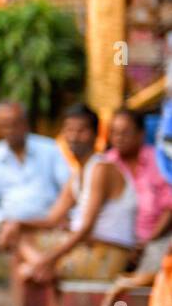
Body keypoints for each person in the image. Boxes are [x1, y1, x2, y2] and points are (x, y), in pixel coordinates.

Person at [0, 100, 71, 306]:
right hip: (6, 224)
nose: (10, 131)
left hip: (46, 222)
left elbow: (68, 188)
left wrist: (56, 217)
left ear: (25, 124)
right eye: (4, 125)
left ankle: (38, 275)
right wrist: (5, 222)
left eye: (15, 124)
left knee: (20, 233)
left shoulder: (50, 150)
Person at [18, 109, 140, 286]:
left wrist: (49, 259)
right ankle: (39, 266)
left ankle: (39, 267)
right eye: (69, 130)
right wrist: (16, 224)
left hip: (109, 254)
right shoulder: (78, 174)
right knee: (22, 236)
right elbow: (52, 219)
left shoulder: (101, 168)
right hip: (86, 247)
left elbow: (86, 228)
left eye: (81, 130)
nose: (74, 137)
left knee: (27, 271)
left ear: (95, 134)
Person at [104, 109, 172, 277]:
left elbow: (169, 208)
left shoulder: (158, 160)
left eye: (125, 132)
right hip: (116, 242)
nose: (118, 138)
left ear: (141, 134)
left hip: (156, 240)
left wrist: (145, 244)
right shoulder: (106, 163)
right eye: (114, 132)